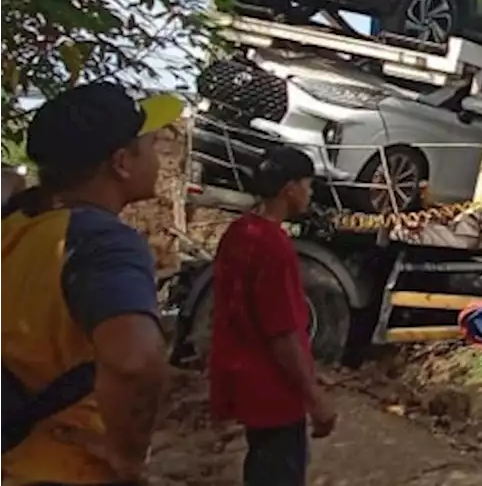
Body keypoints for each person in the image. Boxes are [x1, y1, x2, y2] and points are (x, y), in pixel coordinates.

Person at [0, 82, 182, 485]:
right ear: (121, 162)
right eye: (149, 145)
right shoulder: (102, 241)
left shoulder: (16, 228)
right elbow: (135, 360)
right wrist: (128, 458)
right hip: (62, 471)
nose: (159, 157)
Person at [208, 145, 336, 486]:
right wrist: (314, 398)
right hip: (274, 392)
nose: (309, 194)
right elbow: (282, 333)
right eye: (307, 185)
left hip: (246, 384)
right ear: (289, 189)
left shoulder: (239, 233)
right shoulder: (274, 246)